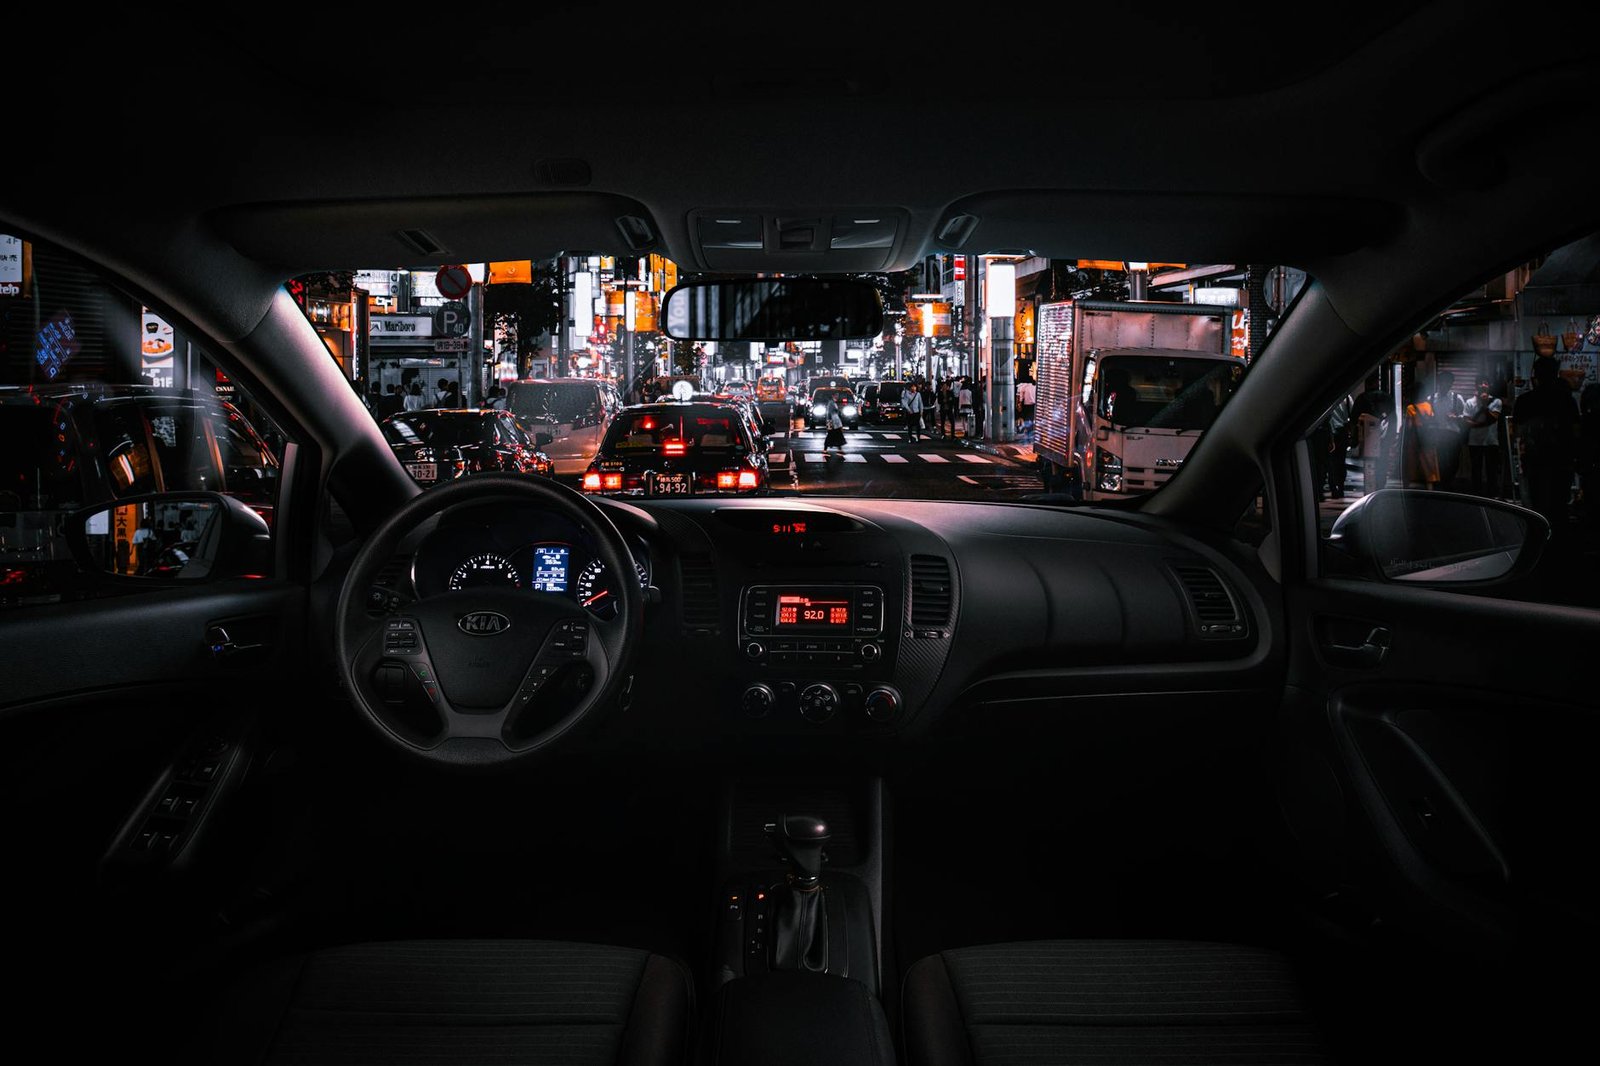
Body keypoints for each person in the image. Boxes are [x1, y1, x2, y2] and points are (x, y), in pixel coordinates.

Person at [1512, 355, 1580, 534]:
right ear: (1555, 373)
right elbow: (1575, 432)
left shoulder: (1525, 401)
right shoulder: (1566, 400)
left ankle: (1539, 540)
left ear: (1536, 374)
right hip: (1561, 461)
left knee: (1536, 505)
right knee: (1559, 505)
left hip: (1534, 461)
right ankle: (1559, 544)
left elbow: (1518, 433)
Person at [1461, 378, 1503, 497]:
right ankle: (1476, 494)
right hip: (1474, 441)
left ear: (1489, 385)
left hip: (1491, 440)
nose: (1483, 385)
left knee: (1492, 469)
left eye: (1485, 383)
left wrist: (1484, 406)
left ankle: (1492, 494)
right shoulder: (1470, 402)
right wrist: (1480, 423)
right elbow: (1466, 421)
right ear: (1476, 386)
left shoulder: (1496, 401)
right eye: (1480, 383)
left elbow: (1493, 418)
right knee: (1476, 469)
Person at [1426, 370, 1466, 490]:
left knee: (1453, 461)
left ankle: (1449, 482)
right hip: (1436, 433)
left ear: (1451, 384)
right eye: (1444, 382)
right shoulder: (1431, 398)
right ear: (1439, 382)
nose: (1446, 385)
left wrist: (1456, 417)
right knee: (1438, 460)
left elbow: (1464, 416)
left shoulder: (1457, 398)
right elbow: (1427, 416)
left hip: (1452, 433)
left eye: (1449, 382)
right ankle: (1440, 485)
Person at [1017, 377, 1037, 441]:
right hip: (1033, 405)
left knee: (1026, 419)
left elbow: (1020, 397)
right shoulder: (1034, 387)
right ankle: (1030, 433)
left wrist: (1019, 404)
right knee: (1031, 419)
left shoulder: (1022, 386)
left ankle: (1027, 433)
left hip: (1026, 405)